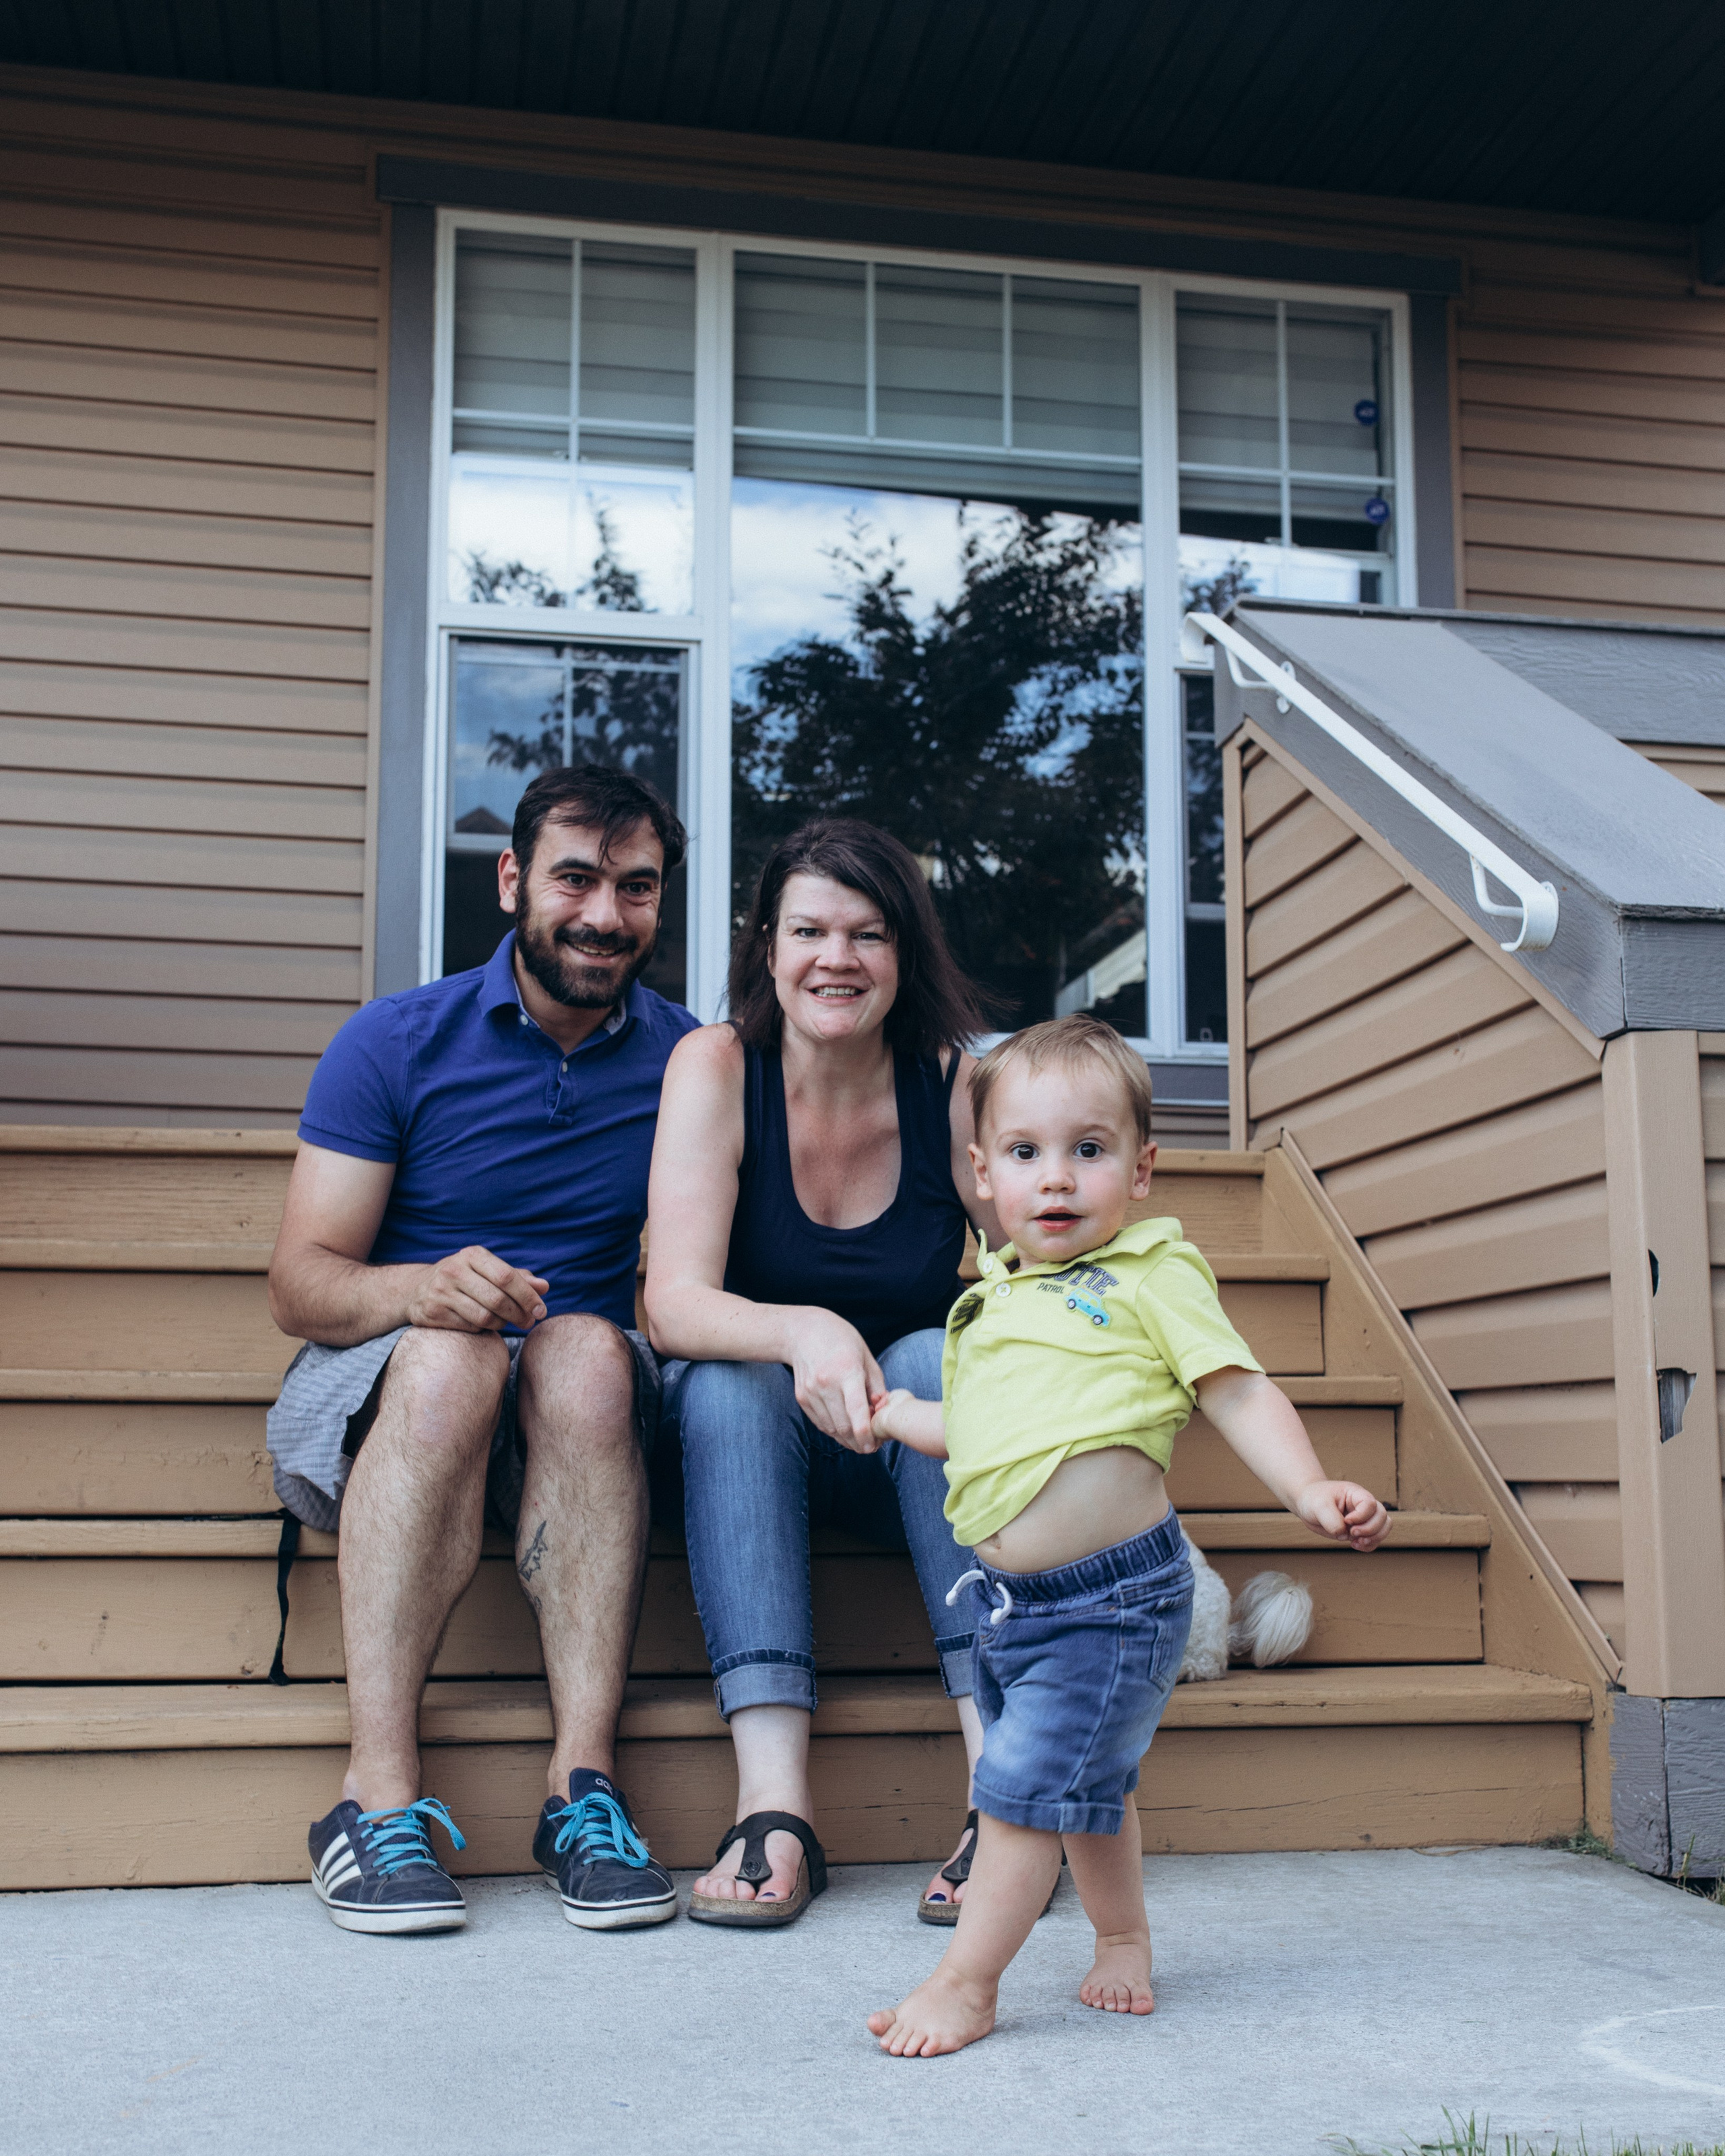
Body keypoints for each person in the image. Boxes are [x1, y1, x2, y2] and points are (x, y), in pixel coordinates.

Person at [865, 1015, 1390, 2054]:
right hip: (1013, 1608)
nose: (1055, 1180)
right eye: (1025, 1154)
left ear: (1142, 1170)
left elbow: (1236, 1393)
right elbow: (970, 1434)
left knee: (1013, 1795)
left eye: (1088, 1151)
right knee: (1085, 1788)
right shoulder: (992, 1303)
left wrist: (1308, 1486)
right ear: (982, 1174)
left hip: (1116, 1602)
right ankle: (1123, 1943)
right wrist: (893, 1418)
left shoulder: (1152, 1274)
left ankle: (968, 1984)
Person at [266, 764, 698, 1936]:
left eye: (638, 887)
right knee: (456, 1351)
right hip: (400, 1390)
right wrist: (421, 1287)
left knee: (587, 1349)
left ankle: (582, 1794)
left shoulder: (691, 1062)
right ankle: (376, 1797)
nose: (605, 916)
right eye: (576, 878)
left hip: (581, 1414)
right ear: (513, 880)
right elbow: (298, 1285)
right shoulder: (396, 1041)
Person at [644, 819, 1003, 1925]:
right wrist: (800, 1328)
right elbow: (671, 1303)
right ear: (766, 944)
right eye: (807, 930)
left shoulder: (953, 1079)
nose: (834, 959)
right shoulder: (716, 1064)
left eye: (866, 933)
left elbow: (1029, 1273)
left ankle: (1008, 1791)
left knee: (935, 1351)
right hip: (752, 1449)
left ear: (905, 954)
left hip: (914, 1453)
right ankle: (774, 1812)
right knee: (728, 1375)